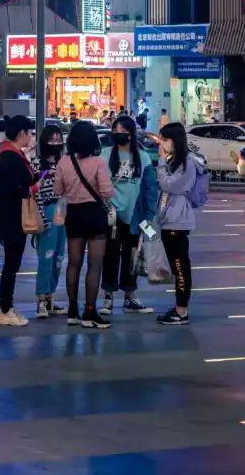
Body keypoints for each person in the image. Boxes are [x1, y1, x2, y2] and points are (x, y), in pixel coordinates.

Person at [54, 121, 115, 329]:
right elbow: (107, 192)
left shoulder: (64, 162)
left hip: (74, 215)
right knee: (94, 265)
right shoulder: (98, 162)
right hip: (95, 215)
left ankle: (72, 310)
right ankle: (90, 312)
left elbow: (58, 190)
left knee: (74, 263)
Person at [100, 116, 154, 316]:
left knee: (132, 256)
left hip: (135, 217)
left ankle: (130, 295)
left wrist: (149, 215)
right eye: (114, 130)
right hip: (111, 216)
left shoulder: (143, 157)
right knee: (110, 256)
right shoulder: (105, 155)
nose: (117, 134)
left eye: (121, 130)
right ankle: (108, 296)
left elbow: (150, 189)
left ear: (130, 134)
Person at [154, 122, 200, 325]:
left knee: (180, 267)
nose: (162, 144)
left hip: (177, 222)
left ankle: (182, 312)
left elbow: (169, 185)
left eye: (165, 139)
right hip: (169, 221)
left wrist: (161, 163)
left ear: (175, 140)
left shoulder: (187, 163)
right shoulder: (177, 161)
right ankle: (179, 308)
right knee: (177, 267)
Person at [0, 115, 37, 326]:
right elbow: (16, 189)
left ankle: (7, 306)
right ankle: (4, 309)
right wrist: (33, 188)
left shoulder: (14, 154)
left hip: (13, 216)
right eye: (30, 133)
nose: (31, 138)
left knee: (12, 263)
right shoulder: (11, 157)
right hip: (12, 217)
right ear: (22, 133)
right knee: (11, 264)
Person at [33, 124, 68, 319]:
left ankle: (50, 298)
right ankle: (41, 300)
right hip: (47, 209)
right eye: (51, 139)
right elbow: (36, 194)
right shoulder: (38, 163)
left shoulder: (65, 162)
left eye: (58, 139)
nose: (55, 143)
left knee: (59, 257)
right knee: (45, 258)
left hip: (63, 209)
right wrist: (42, 218)